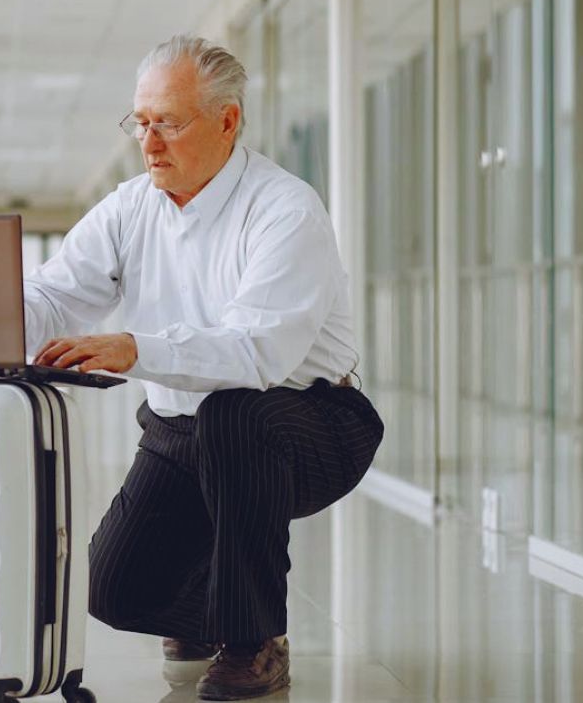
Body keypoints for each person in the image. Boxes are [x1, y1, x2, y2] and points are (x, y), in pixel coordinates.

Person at [23, 34, 385, 701]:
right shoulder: (131, 206)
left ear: (227, 121)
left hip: (306, 423)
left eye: (169, 122)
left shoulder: (284, 208)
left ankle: (254, 641)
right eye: (140, 121)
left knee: (233, 411)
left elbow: (257, 354)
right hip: (180, 430)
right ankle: (209, 612)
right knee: (112, 590)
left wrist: (136, 348)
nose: (149, 141)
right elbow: (53, 293)